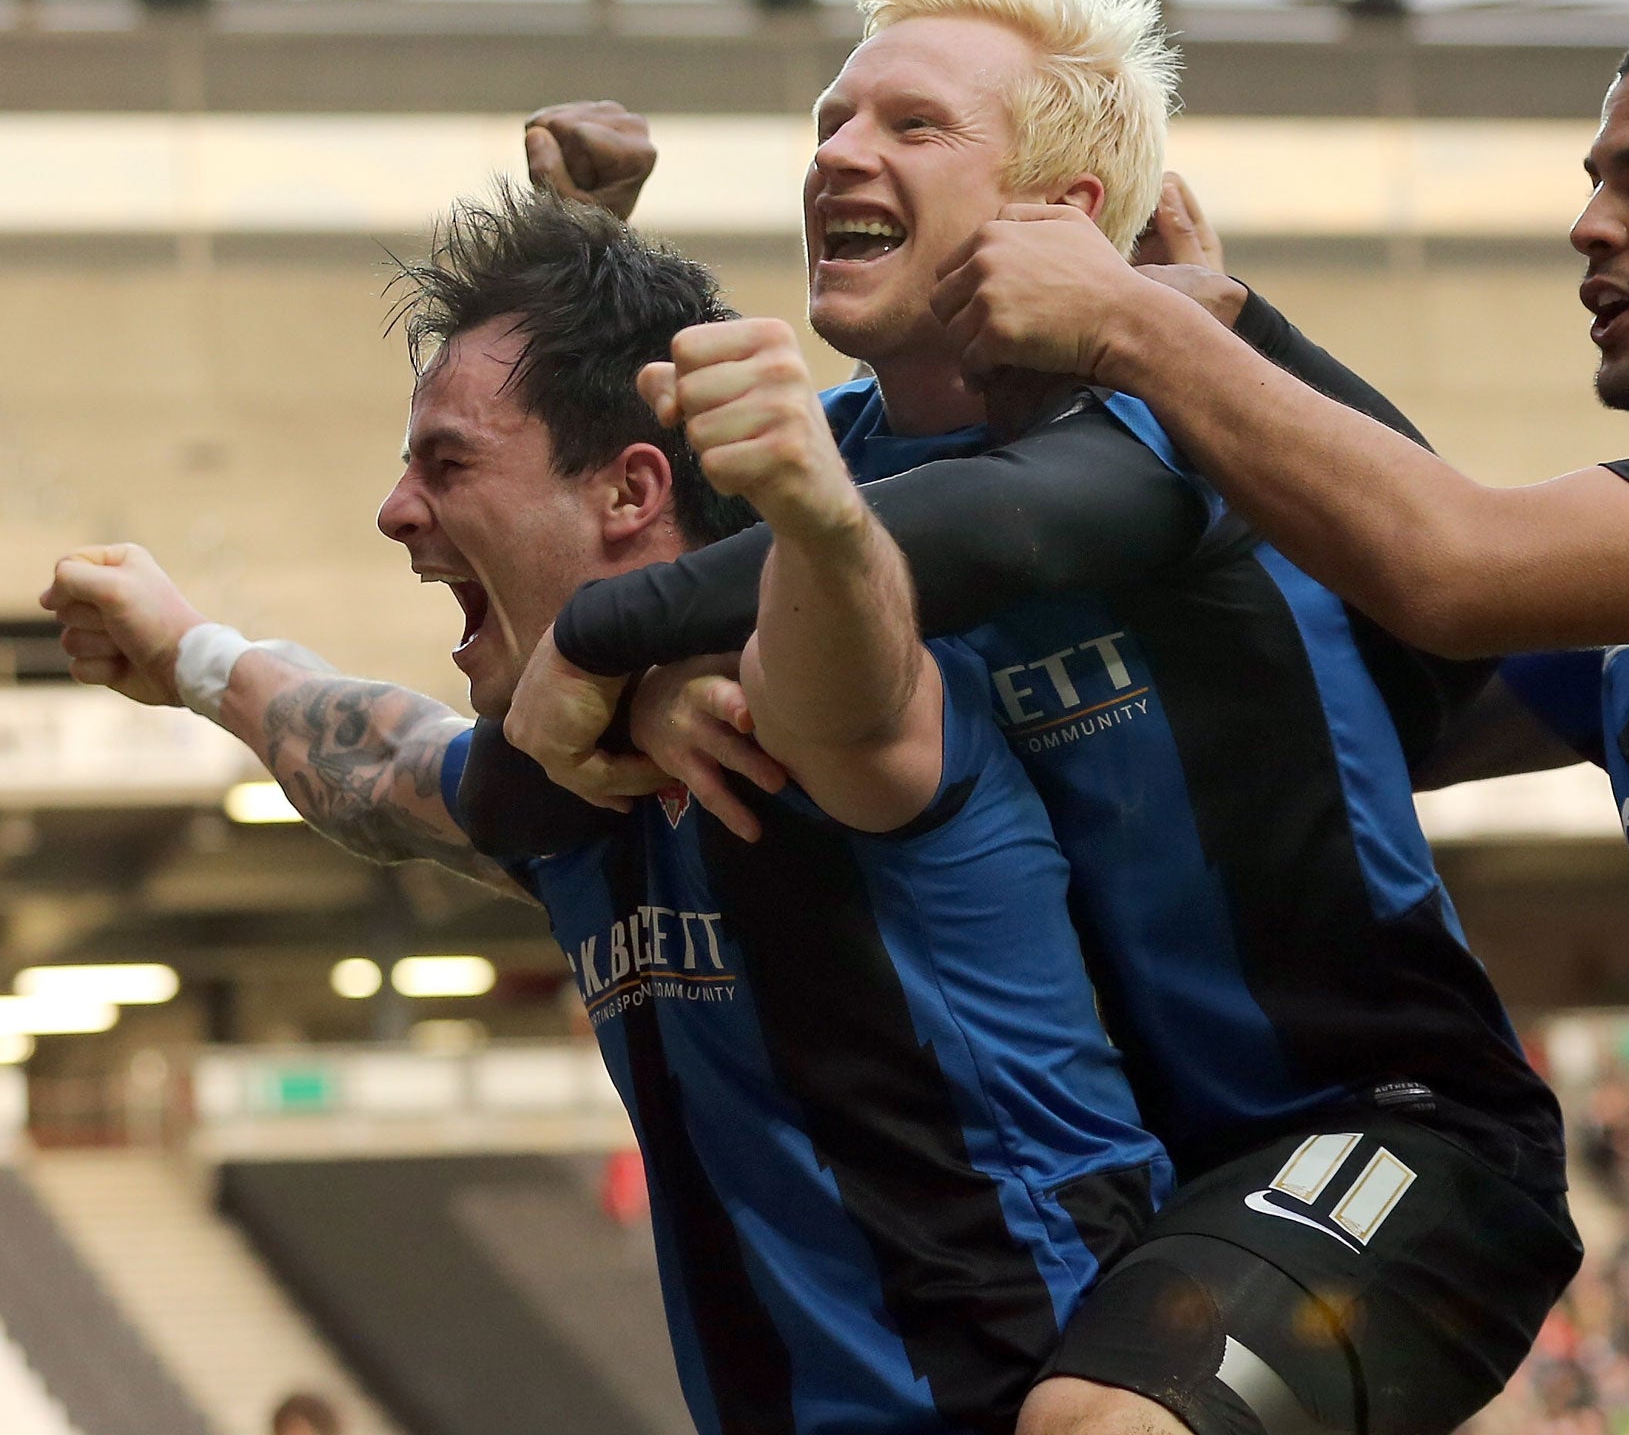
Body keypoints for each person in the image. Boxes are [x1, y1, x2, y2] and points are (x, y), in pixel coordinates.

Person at [933, 3, 1629, 1435]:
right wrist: (1237, 326)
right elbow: (1389, 690)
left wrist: (1137, 328)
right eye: (1592, 181)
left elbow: (1453, 569)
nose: (1590, 224)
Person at [503, 0, 1581, 1435]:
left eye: (914, 123)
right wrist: (581, 249)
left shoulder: (1186, 415)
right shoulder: (843, 459)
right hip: (1116, 1186)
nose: (835, 152)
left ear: (1063, 217)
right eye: (832, 120)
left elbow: (965, 528)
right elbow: (613, 513)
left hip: (1383, 1137)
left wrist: (612, 635)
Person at [41, 185, 1172, 1435]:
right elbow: (375, 767)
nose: (393, 510)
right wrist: (194, 657)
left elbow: (849, 628)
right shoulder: (564, 789)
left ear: (631, 492)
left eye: (447, 463)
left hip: (1050, 1395)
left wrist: (794, 496)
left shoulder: (812, 709)